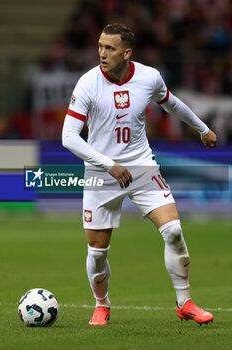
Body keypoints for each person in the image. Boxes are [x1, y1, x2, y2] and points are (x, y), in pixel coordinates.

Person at [62, 23, 217, 326]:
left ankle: (184, 303)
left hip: (141, 166)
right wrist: (109, 165)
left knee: (173, 231)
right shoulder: (87, 84)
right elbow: (69, 137)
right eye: (100, 46)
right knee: (97, 252)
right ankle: (102, 305)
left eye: (110, 48)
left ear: (127, 52)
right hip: (101, 173)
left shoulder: (149, 77)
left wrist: (203, 129)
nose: (102, 53)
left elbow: (172, 104)